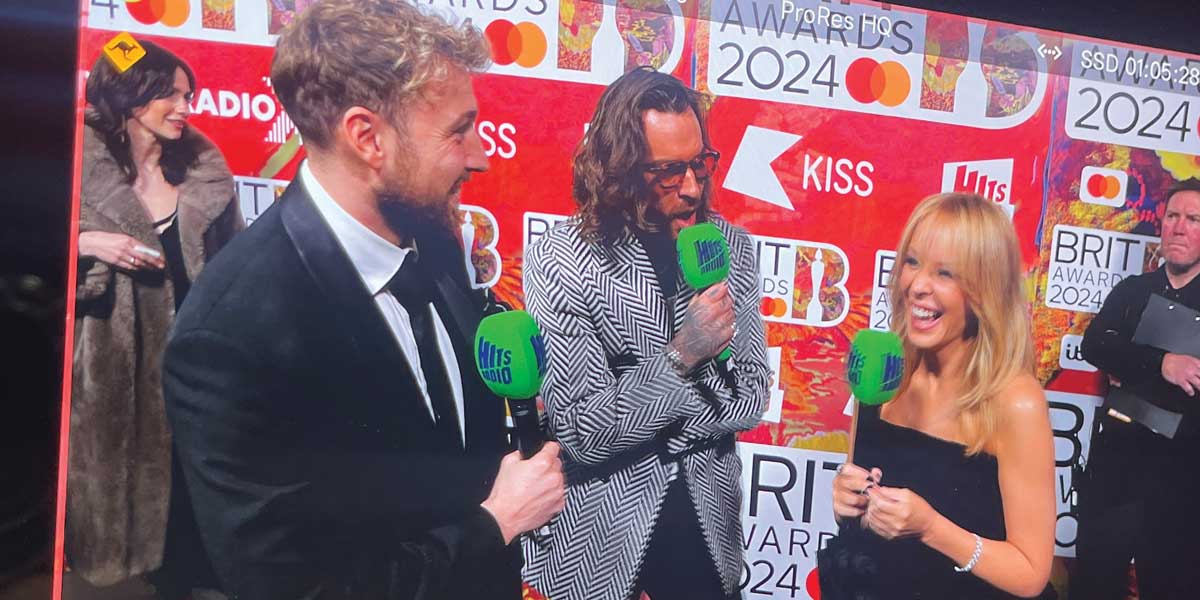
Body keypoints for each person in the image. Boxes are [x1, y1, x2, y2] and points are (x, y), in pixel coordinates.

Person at [160, 1, 564, 599]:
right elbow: (299, 590)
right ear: (368, 138)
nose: (480, 156)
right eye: (457, 131)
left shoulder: (433, 235)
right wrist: (496, 524)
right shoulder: (230, 338)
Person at [522, 67, 770, 600]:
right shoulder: (561, 258)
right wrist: (683, 356)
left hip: (707, 542)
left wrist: (642, 412)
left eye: (700, 163)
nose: (692, 187)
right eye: (668, 172)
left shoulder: (730, 246)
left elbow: (751, 396)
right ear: (621, 168)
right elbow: (580, 431)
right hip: (596, 548)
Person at [66, 38, 243, 598]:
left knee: (198, 528)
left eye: (188, 95)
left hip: (196, 378)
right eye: (171, 93)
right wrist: (86, 243)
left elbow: (237, 273)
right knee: (119, 534)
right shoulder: (72, 165)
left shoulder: (205, 175)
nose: (185, 107)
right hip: (108, 382)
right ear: (131, 94)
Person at [822, 193, 1056, 600]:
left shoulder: (1015, 400)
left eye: (945, 273)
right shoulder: (882, 365)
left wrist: (931, 528)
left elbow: (1030, 573)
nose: (917, 286)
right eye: (912, 262)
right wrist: (849, 500)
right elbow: (865, 510)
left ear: (984, 290)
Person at [1074, 179, 1200, 600]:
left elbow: (1116, 353)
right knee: (1094, 586)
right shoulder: (1132, 291)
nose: (1179, 227)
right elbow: (1096, 345)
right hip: (1116, 471)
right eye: (1173, 216)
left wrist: (1129, 364)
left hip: (1183, 483)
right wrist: (1164, 364)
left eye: (1193, 219)